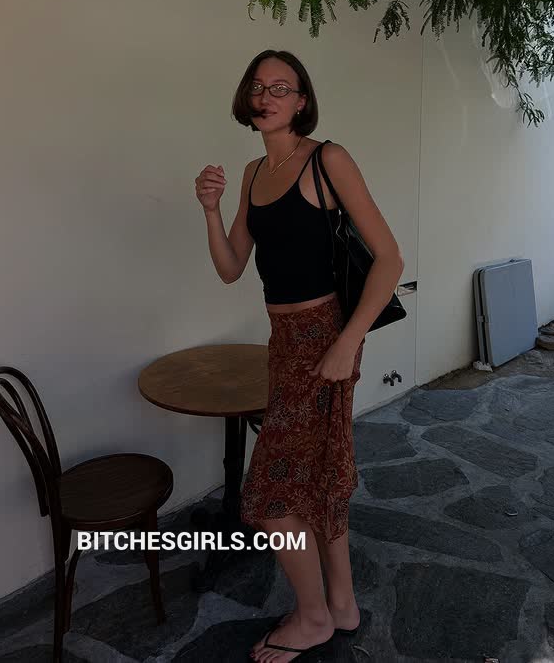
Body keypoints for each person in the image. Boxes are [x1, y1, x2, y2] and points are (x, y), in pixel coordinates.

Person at [194, 49, 404, 662]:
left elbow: (389, 260)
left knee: (268, 498)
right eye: (258, 87)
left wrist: (346, 343)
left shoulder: (327, 160)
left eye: (280, 87)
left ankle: (311, 617)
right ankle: (340, 604)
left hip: (326, 338)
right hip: (283, 340)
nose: (266, 97)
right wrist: (210, 211)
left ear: (302, 100)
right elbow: (232, 267)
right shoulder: (254, 173)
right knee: (318, 475)